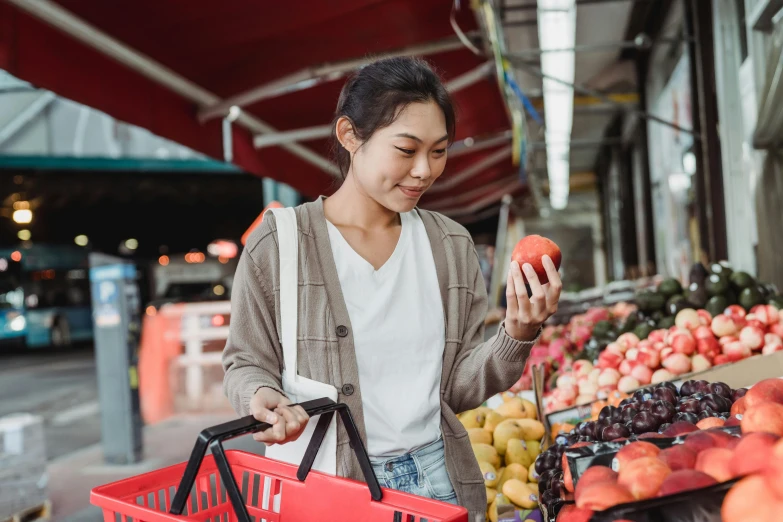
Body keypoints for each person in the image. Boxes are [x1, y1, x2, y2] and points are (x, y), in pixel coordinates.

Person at [222, 56, 562, 519]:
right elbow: (245, 361)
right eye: (406, 149)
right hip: (325, 490)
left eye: (439, 151)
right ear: (350, 136)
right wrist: (259, 395)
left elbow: (456, 388)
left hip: (437, 483)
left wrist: (517, 332)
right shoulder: (279, 243)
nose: (424, 170)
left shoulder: (450, 246)